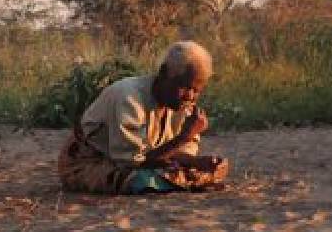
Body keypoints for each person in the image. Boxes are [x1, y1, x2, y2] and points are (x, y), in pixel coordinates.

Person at [58, 41, 229, 194]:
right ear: (164, 73)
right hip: (90, 163)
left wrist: (197, 162)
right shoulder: (129, 97)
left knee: (204, 170)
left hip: (144, 160)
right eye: (185, 87)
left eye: (197, 91)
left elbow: (175, 152)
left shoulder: (181, 106)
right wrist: (184, 136)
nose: (190, 96)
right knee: (140, 180)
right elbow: (133, 161)